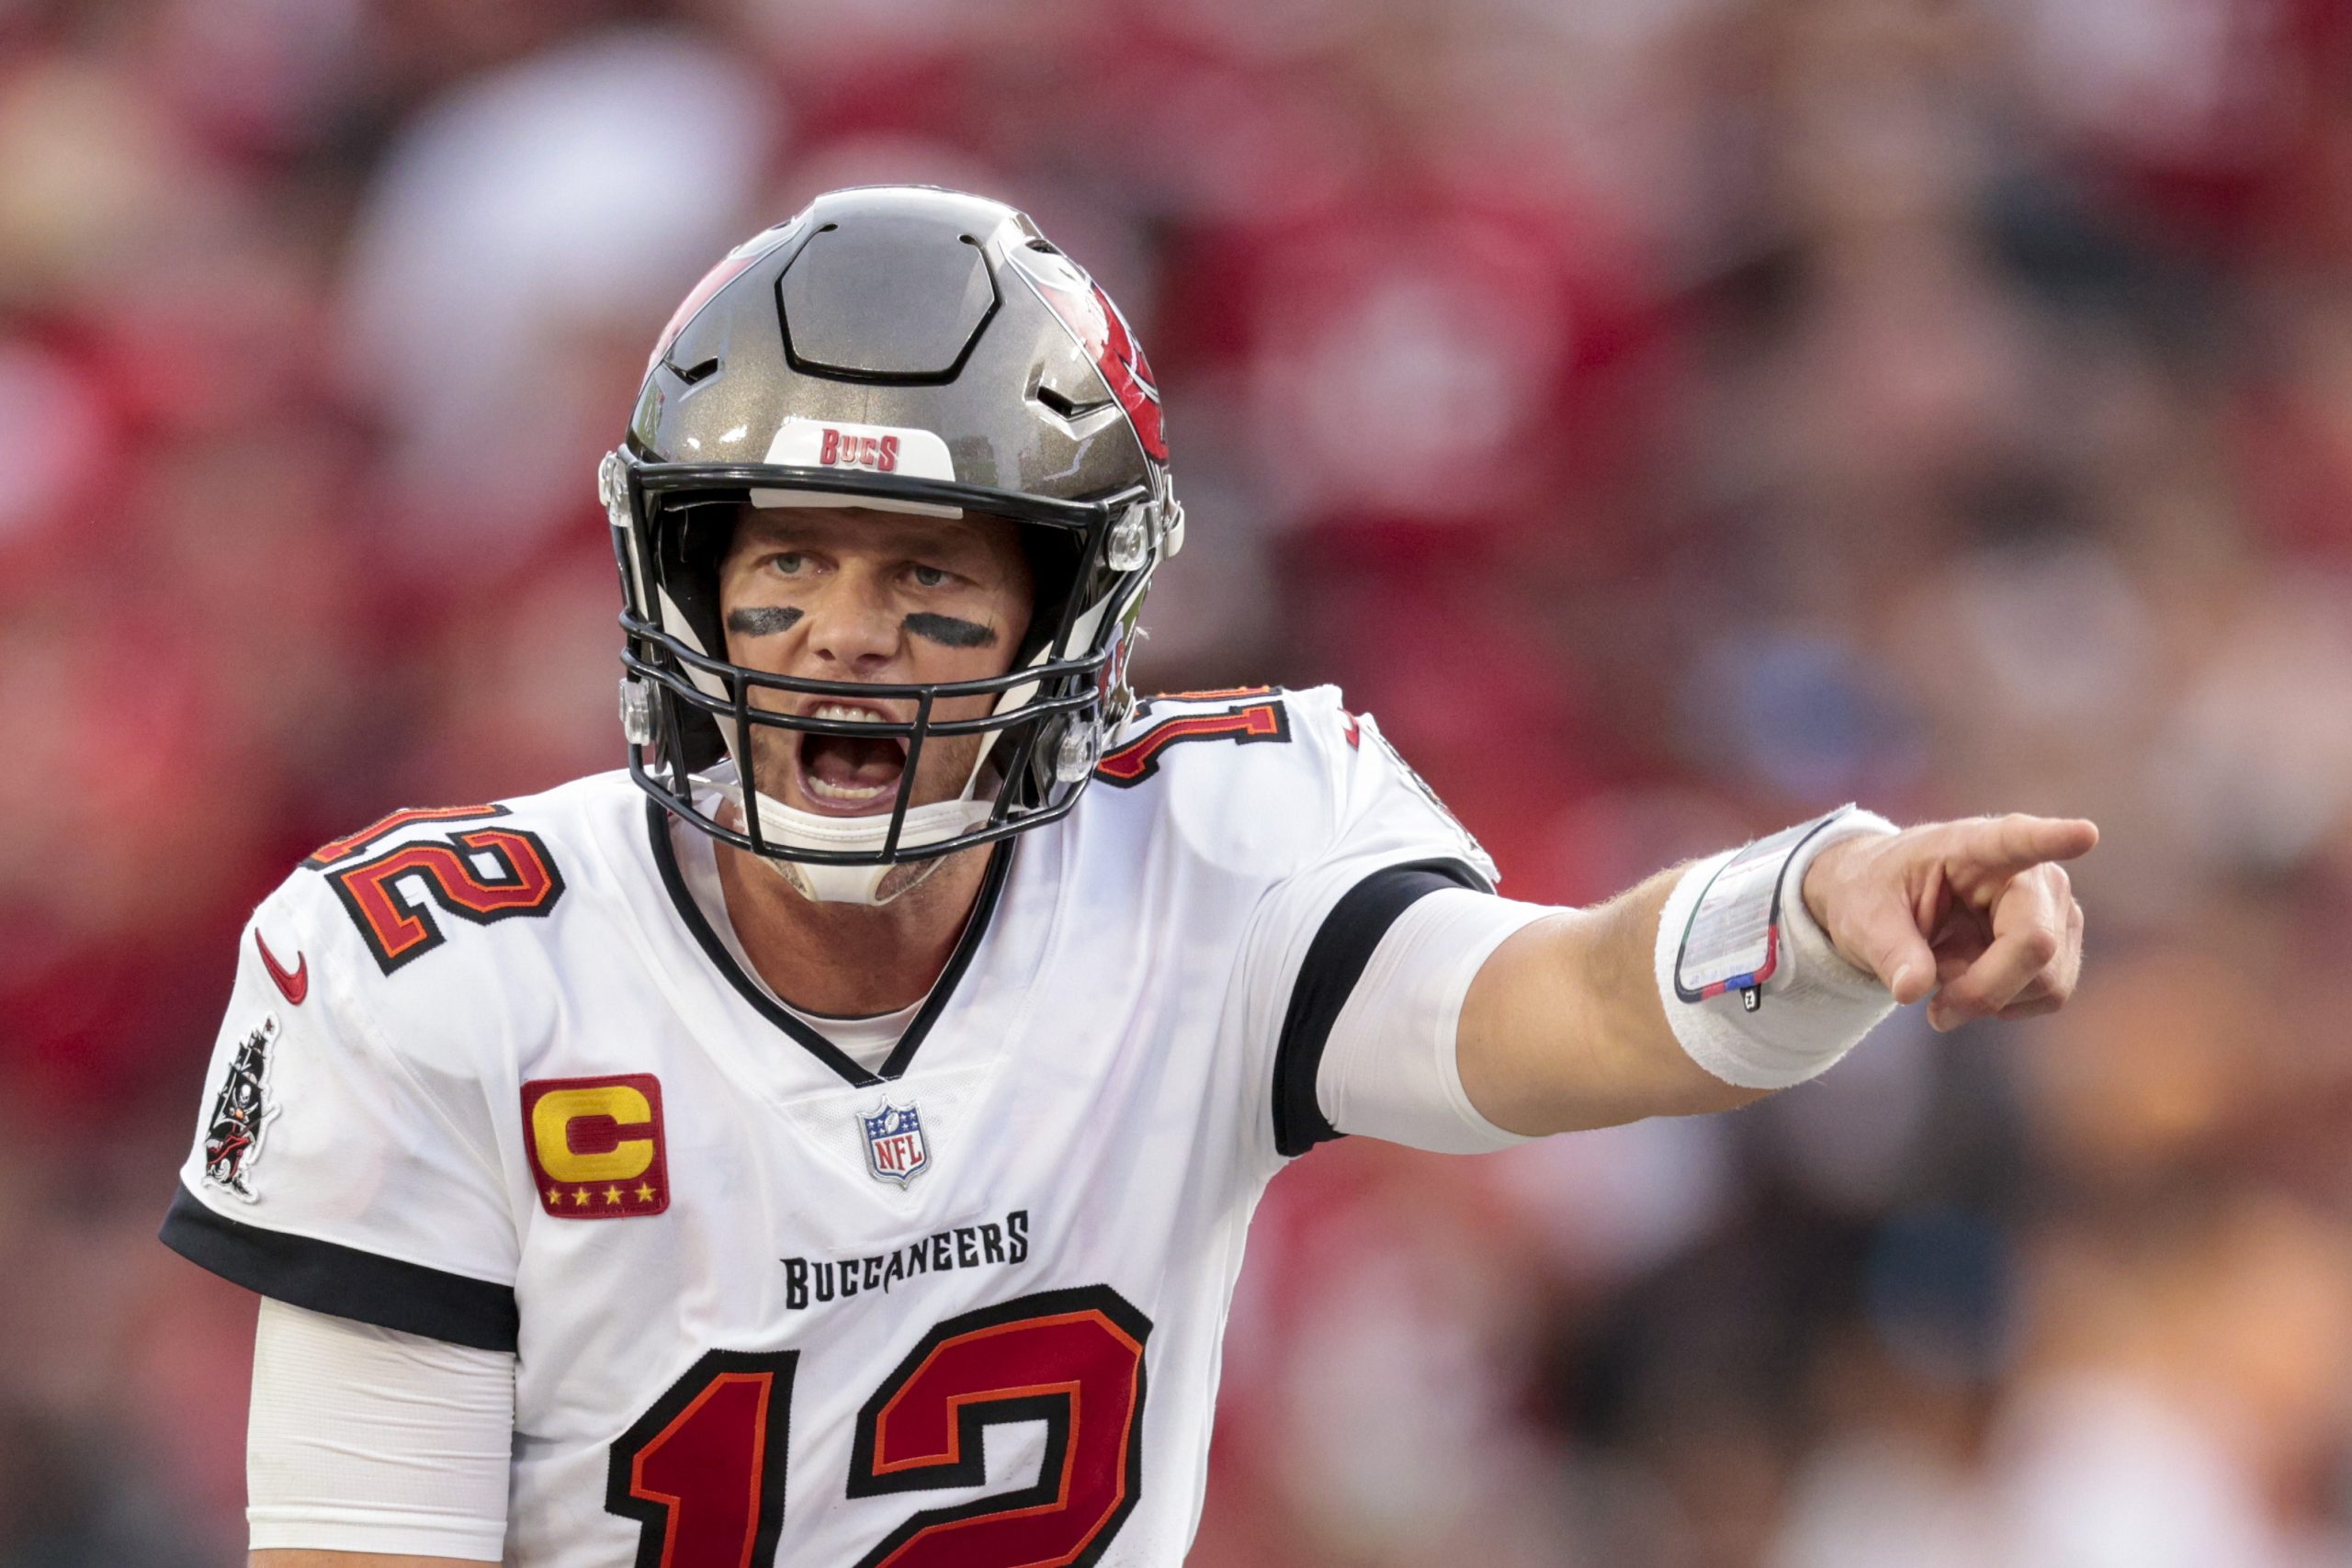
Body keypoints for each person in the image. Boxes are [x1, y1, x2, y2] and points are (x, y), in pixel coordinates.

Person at [162, 186, 2094, 1567]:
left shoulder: (1210, 851)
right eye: (789, 560)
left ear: (1067, 615)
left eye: (927, 575)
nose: (841, 630)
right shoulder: (435, 969)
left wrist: (1812, 905)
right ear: (683, 578)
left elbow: (1552, 1002)